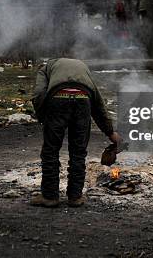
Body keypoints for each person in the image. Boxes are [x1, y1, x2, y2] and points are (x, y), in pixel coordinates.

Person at [30, 58, 122, 207]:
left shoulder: (45, 68)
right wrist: (110, 132)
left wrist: (43, 117)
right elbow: (98, 102)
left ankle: (49, 196)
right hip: (83, 99)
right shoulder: (83, 67)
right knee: (78, 151)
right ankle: (75, 197)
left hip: (58, 99)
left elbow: (39, 94)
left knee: (50, 150)